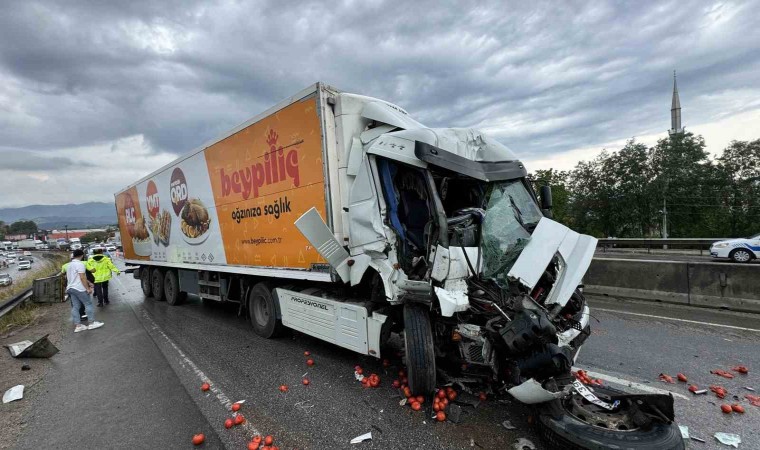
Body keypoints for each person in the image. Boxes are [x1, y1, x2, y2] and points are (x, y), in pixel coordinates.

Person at [66, 249, 103, 332]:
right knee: (88, 304)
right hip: (79, 288)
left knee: (76, 307)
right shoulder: (80, 264)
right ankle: (91, 323)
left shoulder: (69, 265)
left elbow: (75, 277)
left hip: (70, 288)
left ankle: (78, 326)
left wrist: (89, 282)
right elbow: (82, 277)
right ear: (82, 255)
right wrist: (88, 288)